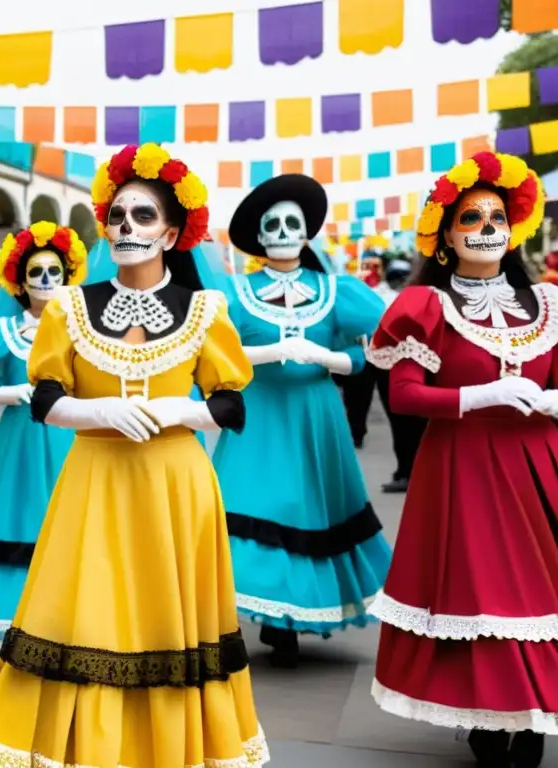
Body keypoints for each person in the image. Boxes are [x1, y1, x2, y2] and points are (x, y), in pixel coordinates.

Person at [0, 144, 268, 768]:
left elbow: (231, 403)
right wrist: (98, 413)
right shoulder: (71, 307)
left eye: (144, 216)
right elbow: (45, 399)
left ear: (173, 231)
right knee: (88, 613)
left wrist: (180, 412)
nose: (127, 227)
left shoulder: (205, 310)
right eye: (118, 215)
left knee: (167, 620)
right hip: (94, 480)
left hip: (175, 485)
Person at [365, 151, 558, 768]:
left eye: (496, 217)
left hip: (541, 467)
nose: (486, 228)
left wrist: (549, 400)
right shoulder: (425, 306)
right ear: (446, 235)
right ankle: (487, 712)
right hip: (465, 469)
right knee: (485, 594)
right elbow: (404, 396)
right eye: (470, 218)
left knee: (543, 593)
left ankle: (533, 719)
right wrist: (482, 394)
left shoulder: (549, 306)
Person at [212, 174, 391, 668]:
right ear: (261, 237)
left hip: (316, 417)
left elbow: (378, 349)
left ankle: (288, 616)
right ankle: (263, 610)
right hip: (258, 416)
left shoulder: (336, 290)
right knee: (253, 503)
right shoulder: (234, 290)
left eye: (294, 223)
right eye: (275, 224)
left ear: (307, 233)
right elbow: (214, 350)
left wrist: (331, 359)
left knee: (311, 507)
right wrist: (267, 353)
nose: (285, 231)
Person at [0, 222, 87, 640]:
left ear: (67, 279)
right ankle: (6, 609)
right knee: (15, 513)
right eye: (37, 273)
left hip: (69, 437)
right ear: (21, 282)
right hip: (19, 442)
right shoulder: (9, 329)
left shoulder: (80, 328)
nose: (46, 281)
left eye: (54, 272)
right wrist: (8, 391)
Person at [371, 258, 427, 493]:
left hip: (422, 365)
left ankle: (413, 472)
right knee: (400, 423)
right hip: (390, 364)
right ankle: (405, 471)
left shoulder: (426, 295)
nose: (400, 280)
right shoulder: (379, 296)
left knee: (415, 425)